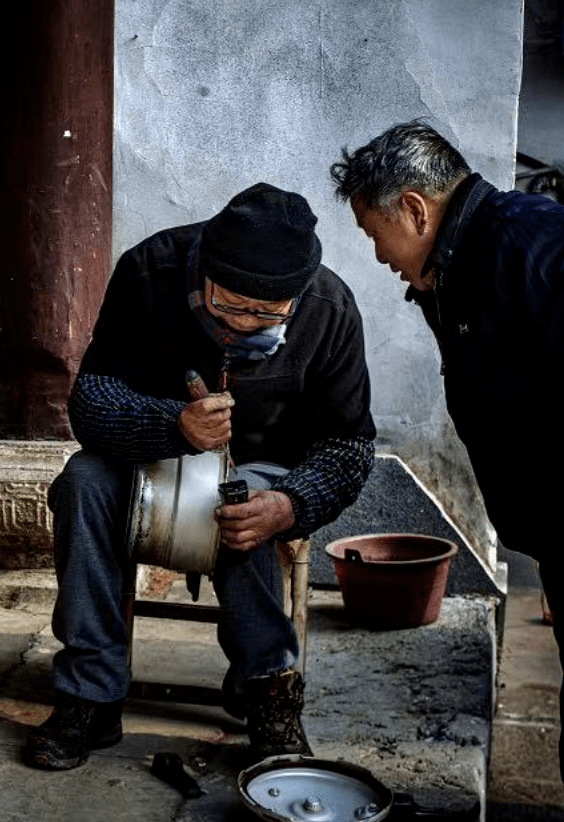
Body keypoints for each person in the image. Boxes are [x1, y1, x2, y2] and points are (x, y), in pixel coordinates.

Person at [331, 120, 564, 822]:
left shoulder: (531, 244)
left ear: (415, 208)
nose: (378, 254)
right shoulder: (461, 264)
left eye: (375, 231)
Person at [23, 182, 376, 771]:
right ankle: (91, 694)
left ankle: (266, 690)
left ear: (296, 298)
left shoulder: (329, 310)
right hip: (147, 456)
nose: (242, 324)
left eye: (265, 314)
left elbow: (349, 444)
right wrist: (173, 426)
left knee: (248, 513)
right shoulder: (150, 270)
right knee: (83, 483)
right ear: (202, 275)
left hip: (266, 466)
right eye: (227, 306)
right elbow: (92, 399)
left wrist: (292, 503)